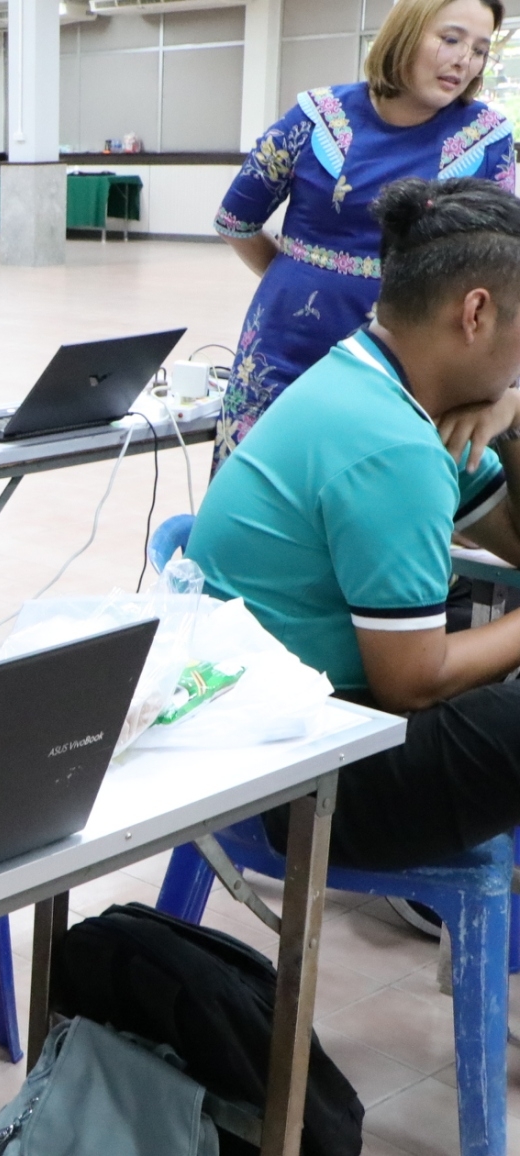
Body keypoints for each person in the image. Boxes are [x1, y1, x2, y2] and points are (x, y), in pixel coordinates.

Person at [188, 177, 520, 872]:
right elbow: (414, 683)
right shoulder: (391, 444)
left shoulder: (379, 378)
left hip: (280, 722)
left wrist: (513, 418)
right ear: (476, 314)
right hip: (296, 780)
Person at [212, 0, 512, 467]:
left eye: (478, 50)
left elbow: (503, 272)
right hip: (285, 350)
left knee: (379, 493)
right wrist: (297, 278)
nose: (463, 61)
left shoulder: (487, 138)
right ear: (405, 32)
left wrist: (505, 392)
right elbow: (236, 220)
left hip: (414, 369)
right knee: (263, 485)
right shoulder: (314, 117)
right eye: (451, 39)